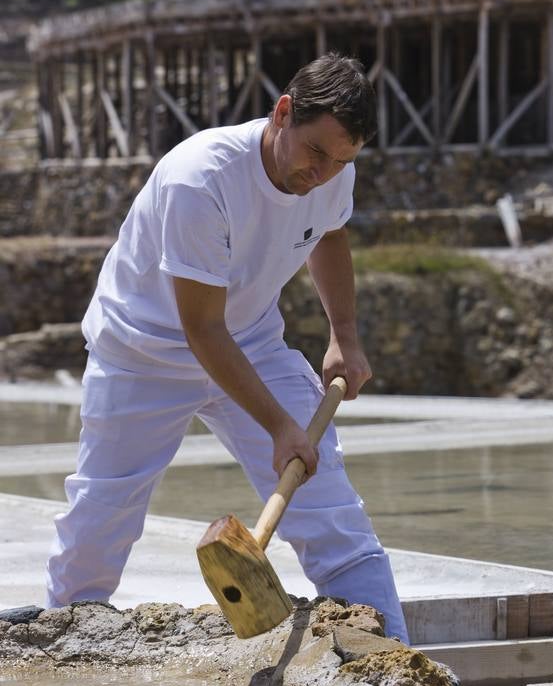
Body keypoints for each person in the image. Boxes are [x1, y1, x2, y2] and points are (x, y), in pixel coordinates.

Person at [45, 52, 409, 643]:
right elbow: (202, 330)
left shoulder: (334, 170)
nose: (324, 173)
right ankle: (62, 646)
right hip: (144, 351)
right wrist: (280, 427)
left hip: (252, 339)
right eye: (316, 152)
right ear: (283, 112)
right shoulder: (202, 178)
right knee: (101, 520)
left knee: (329, 507)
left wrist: (345, 337)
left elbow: (330, 235)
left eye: (343, 161)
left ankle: (392, 652)